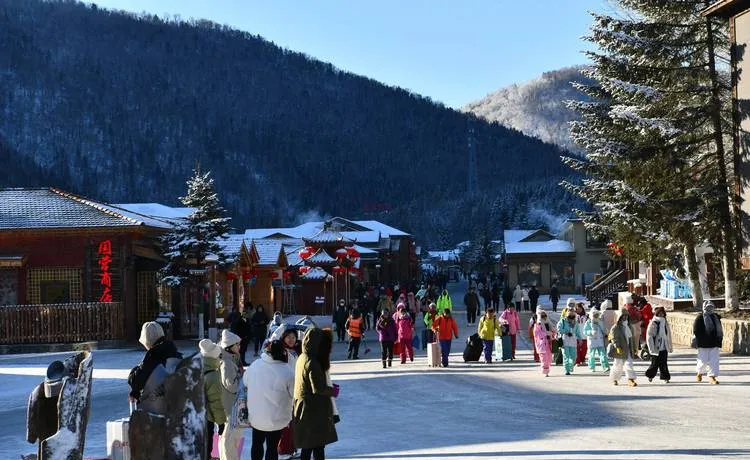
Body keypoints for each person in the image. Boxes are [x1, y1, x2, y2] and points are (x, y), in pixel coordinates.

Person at [244, 340, 295, 460]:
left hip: (256, 415)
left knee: (256, 444)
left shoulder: (255, 365)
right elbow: (294, 393)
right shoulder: (287, 371)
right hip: (276, 418)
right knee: (272, 447)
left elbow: (246, 382)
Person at [293, 328, 338, 460]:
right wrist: (333, 391)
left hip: (305, 408)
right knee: (317, 445)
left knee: (308, 445)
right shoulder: (312, 362)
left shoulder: (302, 357)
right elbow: (318, 388)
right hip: (313, 410)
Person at [127, 321, 182, 411]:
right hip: (175, 406)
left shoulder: (153, 356)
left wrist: (135, 369)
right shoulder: (176, 354)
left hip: (157, 409)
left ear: (147, 340)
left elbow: (136, 381)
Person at [219, 329, 244, 459]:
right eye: (237, 344)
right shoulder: (227, 363)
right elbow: (232, 386)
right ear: (229, 346)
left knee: (232, 437)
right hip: (232, 406)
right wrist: (243, 377)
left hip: (233, 404)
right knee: (230, 439)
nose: (239, 347)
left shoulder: (232, 359)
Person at [200, 339, 226, 460]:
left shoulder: (199, 368)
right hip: (208, 416)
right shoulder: (213, 375)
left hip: (197, 415)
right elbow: (215, 401)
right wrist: (221, 422)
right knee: (208, 446)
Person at [693, 300, 723, 384]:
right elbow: (696, 330)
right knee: (703, 360)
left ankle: (712, 376)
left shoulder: (716, 317)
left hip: (714, 342)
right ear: (704, 308)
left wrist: (719, 339)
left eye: (711, 307)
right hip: (703, 343)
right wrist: (699, 341)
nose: (710, 309)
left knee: (714, 360)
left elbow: (719, 329)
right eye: (708, 307)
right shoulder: (700, 317)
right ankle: (699, 372)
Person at [609, 307, 638, 386]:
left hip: (628, 349)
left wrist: (634, 348)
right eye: (623, 316)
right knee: (618, 365)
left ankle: (630, 379)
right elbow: (613, 338)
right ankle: (614, 379)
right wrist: (617, 347)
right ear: (619, 317)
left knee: (629, 364)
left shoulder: (630, 326)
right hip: (620, 349)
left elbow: (632, 338)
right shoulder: (616, 327)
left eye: (626, 316)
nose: (625, 317)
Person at [645, 307, 672, 383]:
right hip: (656, 347)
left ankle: (665, 377)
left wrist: (669, 346)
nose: (661, 315)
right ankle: (650, 375)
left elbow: (668, 335)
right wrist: (651, 348)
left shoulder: (665, 323)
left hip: (664, 346)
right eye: (659, 314)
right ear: (656, 314)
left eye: (662, 314)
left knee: (664, 363)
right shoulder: (653, 323)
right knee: (655, 364)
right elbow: (649, 336)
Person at [583, 307, 609, 373]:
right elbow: (585, 331)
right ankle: (591, 367)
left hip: (600, 340)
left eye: (597, 314)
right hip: (592, 341)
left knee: (603, 354)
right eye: (594, 315)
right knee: (591, 355)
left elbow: (604, 329)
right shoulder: (588, 322)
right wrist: (591, 332)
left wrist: (606, 333)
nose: (596, 316)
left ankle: (605, 366)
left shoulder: (600, 321)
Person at [556, 309, 582, 375]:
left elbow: (578, 332)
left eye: (573, 314)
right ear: (567, 314)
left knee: (574, 356)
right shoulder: (562, 321)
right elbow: (559, 329)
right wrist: (566, 332)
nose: (571, 316)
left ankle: (570, 366)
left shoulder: (575, 322)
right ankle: (567, 370)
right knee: (566, 356)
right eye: (570, 314)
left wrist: (580, 339)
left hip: (573, 341)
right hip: (565, 341)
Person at [533, 308, 556, 376]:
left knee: (549, 358)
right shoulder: (538, 325)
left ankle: (547, 369)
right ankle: (545, 371)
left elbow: (553, 331)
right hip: (542, 344)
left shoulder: (549, 323)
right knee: (544, 358)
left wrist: (554, 332)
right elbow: (537, 334)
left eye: (545, 315)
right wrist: (547, 333)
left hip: (549, 343)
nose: (544, 317)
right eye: (542, 316)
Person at [230, 301, 253, 366]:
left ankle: (243, 361)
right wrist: (241, 336)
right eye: (245, 314)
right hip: (241, 338)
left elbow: (249, 329)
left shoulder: (247, 320)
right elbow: (237, 329)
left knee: (244, 350)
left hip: (246, 338)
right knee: (241, 351)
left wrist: (249, 336)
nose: (246, 315)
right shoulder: (239, 320)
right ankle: (240, 362)